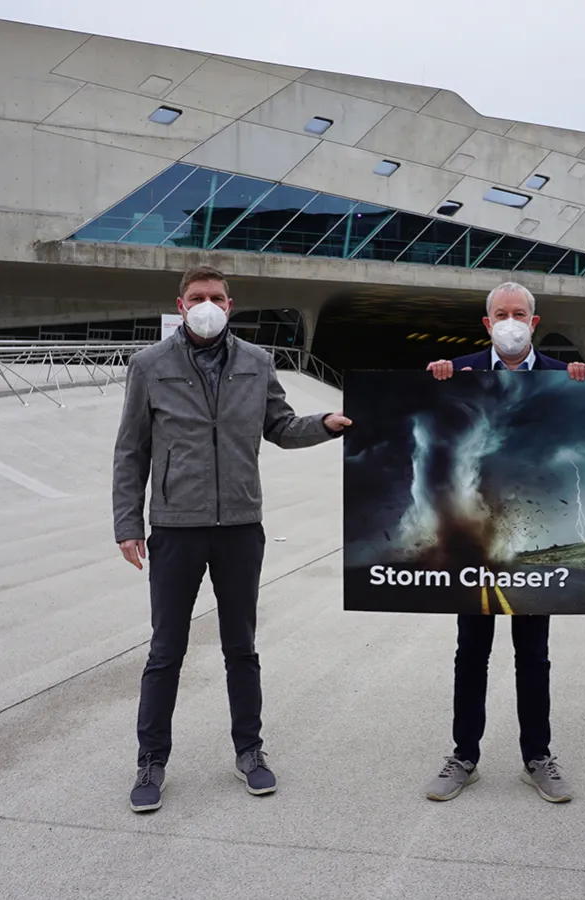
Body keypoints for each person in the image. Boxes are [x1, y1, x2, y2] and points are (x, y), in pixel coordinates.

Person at [112, 265, 351, 813]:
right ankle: (151, 760)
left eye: (216, 297)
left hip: (241, 526)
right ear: (180, 303)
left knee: (240, 647)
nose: (207, 305)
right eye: (198, 297)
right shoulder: (149, 365)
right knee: (165, 650)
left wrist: (325, 424)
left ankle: (250, 751)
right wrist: (128, 523)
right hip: (175, 527)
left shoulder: (256, 362)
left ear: (230, 304)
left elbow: (281, 426)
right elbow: (132, 451)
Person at [422, 282, 585, 804]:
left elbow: (581, 436)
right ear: (487, 323)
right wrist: (435, 382)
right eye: (502, 313)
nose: (511, 321)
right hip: (474, 537)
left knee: (532, 653)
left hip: (532, 536)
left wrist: (580, 383)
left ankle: (536, 756)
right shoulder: (460, 369)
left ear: (534, 323)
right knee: (470, 649)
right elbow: (425, 427)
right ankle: (464, 756)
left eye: (520, 313)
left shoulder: (565, 376)